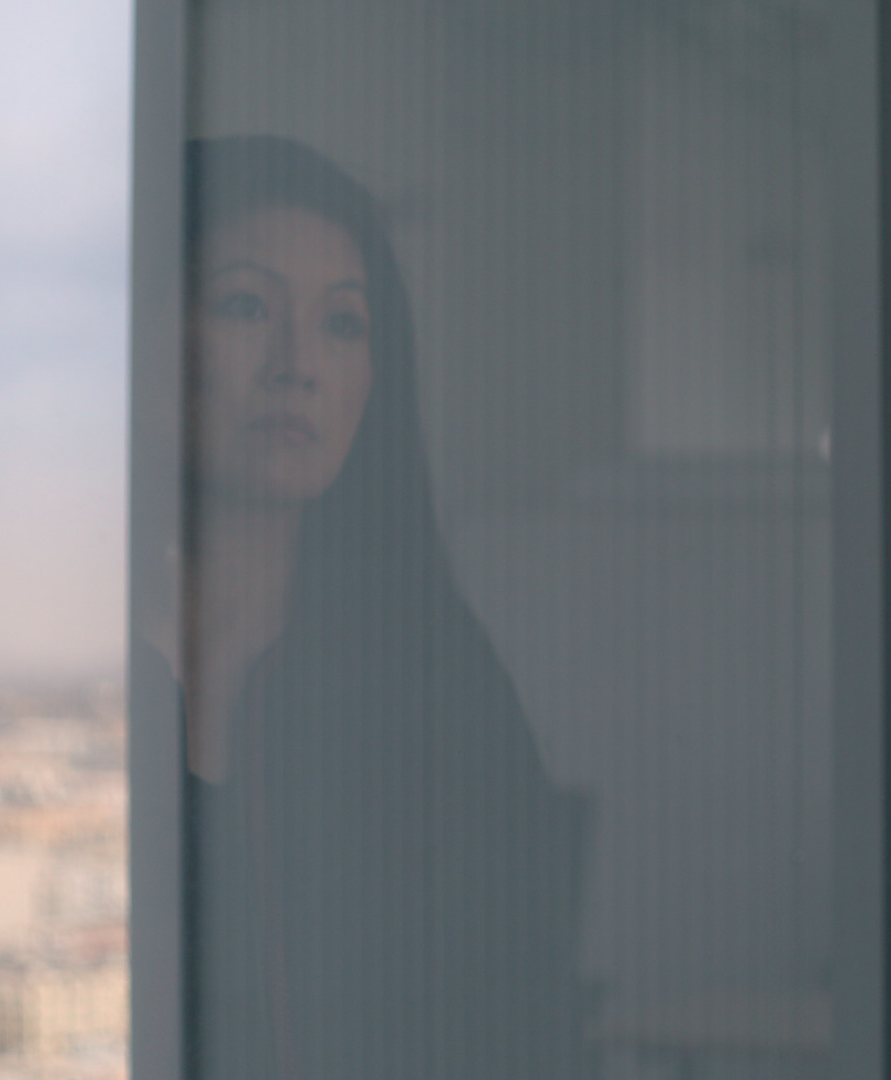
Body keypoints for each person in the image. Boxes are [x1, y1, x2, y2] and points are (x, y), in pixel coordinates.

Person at [142, 135, 592, 1079]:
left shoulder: (440, 687)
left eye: (343, 324)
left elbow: (521, 1028)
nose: (298, 363)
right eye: (245, 305)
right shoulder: (84, 674)